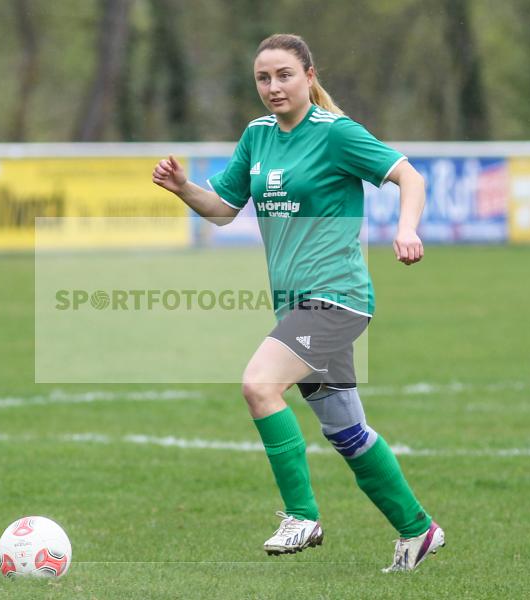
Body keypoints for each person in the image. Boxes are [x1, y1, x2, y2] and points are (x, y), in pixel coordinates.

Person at [152, 33, 444, 573]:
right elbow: (222, 210)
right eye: (263, 78)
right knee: (346, 433)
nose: (273, 87)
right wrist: (182, 188)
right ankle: (418, 529)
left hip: (337, 298)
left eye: (284, 74)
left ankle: (301, 515)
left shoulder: (335, 135)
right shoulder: (257, 137)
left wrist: (407, 228)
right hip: (295, 305)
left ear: (310, 75)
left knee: (259, 385)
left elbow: (409, 175)